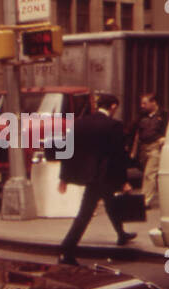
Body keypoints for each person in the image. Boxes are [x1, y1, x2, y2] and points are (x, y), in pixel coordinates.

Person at [58, 94, 136, 265]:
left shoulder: (80, 123)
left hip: (89, 176)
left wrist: (63, 177)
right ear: (113, 106)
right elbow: (118, 156)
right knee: (85, 214)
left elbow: (67, 150)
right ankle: (66, 250)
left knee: (110, 203)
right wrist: (124, 181)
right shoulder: (114, 126)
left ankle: (121, 234)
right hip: (104, 176)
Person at [133, 92, 167, 209]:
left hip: (155, 146)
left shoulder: (164, 115)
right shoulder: (141, 116)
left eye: (145, 103)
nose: (142, 106)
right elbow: (133, 128)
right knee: (146, 173)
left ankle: (144, 201)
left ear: (153, 102)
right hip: (143, 147)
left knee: (149, 174)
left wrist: (163, 138)